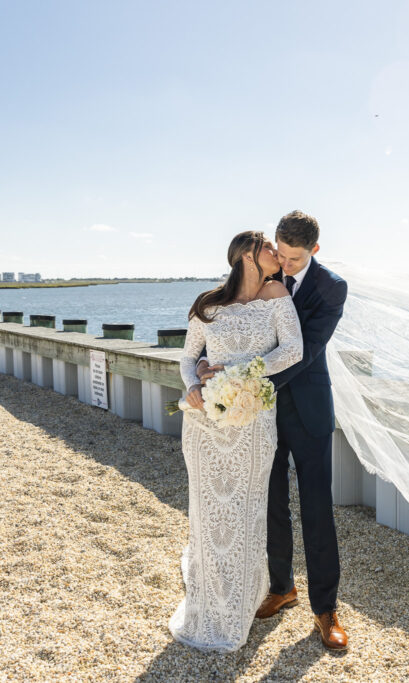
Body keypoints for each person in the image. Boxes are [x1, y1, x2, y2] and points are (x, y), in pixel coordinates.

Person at [197, 210, 349, 649]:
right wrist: (210, 368)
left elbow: (305, 352)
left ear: (314, 251)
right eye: (280, 254)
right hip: (259, 414)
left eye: (295, 258)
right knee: (271, 502)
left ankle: (326, 610)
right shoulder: (263, 278)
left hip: (307, 409)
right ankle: (282, 587)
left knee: (317, 509)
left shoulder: (331, 288)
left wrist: (241, 382)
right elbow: (230, 325)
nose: (284, 264)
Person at [169, 231, 303, 652]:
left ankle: (239, 605)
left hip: (253, 421)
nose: (276, 254)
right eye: (268, 247)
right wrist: (193, 386)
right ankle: (207, 603)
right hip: (206, 424)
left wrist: (236, 371)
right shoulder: (208, 304)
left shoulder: (276, 292)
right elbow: (188, 358)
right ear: (248, 253)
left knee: (246, 511)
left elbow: (293, 350)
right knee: (209, 513)